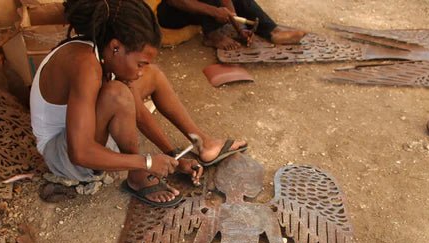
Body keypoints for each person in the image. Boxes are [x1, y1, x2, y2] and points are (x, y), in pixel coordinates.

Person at [30, 0, 246, 207]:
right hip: (64, 157)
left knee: (152, 76)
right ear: (116, 47)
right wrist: (146, 163)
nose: (140, 71)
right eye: (140, 63)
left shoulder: (102, 50)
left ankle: (202, 143)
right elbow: (80, 152)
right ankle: (138, 176)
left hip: (82, 137)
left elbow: (138, 113)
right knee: (118, 94)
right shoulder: (85, 64)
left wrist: (173, 157)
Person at [156, 0, 307, 50]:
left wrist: (239, 27)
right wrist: (215, 12)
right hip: (169, 13)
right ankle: (212, 35)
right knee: (211, 2)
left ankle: (272, 31)